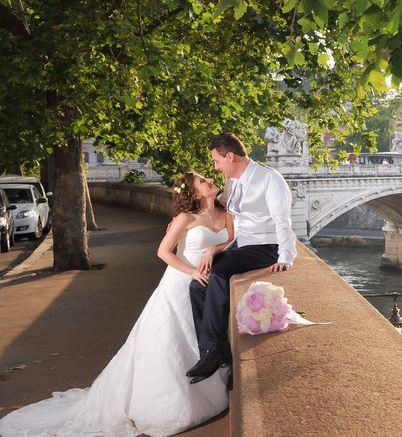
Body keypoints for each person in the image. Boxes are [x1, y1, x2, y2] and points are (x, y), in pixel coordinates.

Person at [0, 173, 231, 437]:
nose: (209, 180)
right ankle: (166, 404)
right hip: (180, 284)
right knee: (173, 342)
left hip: (206, 286)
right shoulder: (185, 219)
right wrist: (192, 272)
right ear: (195, 193)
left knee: (197, 337)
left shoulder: (225, 213)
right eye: (202, 181)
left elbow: (232, 240)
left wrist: (215, 249)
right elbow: (163, 252)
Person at [186, 132, 296, 385]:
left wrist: (285, 256)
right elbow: (220, 209)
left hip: (265, 245)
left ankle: (213, 351)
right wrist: (215, 247)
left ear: (231, 156)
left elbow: (283, 221)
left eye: (217, 161)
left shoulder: (270, 179)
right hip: (241, 245)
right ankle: (216, 351)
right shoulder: (232, 183)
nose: (215, 167)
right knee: (197, 285)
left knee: (218, 273)